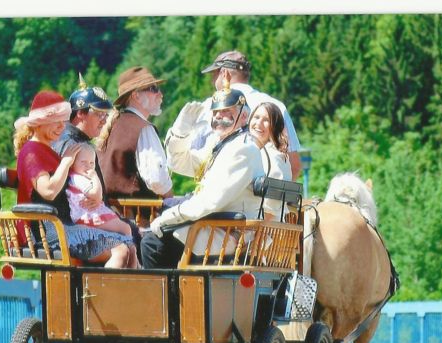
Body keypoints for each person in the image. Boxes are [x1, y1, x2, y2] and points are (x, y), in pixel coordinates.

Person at [141, 81, 265, 269]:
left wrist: (169, 217)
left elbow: (211, 201)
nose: (219, 117)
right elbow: (179, 163)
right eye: (216, 112)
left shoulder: (243, 149)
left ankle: (164, 298)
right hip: (213, 226)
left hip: (229, 233)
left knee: (152, 243)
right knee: (155, 237)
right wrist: (180, 132)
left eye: (227, 112)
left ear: (244, 116)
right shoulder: (221, 144)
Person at [13, 90, 136, 268]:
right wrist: (66, 161)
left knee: (129, 249)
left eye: (63, 122)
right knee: (121, 250)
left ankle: (124, 295)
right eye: (56, 122)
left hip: (63, 225)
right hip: (47, 230)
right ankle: (102, 296)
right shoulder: (32, 152)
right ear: (40, 123)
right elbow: (48, 191)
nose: (61, 127)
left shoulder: (46, 149)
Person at [196, 50, 303, 179]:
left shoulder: (209, 107)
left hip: (219, 192)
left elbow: (192, 160)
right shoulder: (276, 105)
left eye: (214, 74)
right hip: (264, 195)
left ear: (224, 73)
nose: (212, 80)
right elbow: (294, 166)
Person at [95, 66, 173, 199]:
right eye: (153, 89)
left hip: (114, 212)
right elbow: (157, 179)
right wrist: (172, 200)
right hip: (140, 215)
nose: (160, 94)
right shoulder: (143, 128)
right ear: (136, 95)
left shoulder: (112, 124)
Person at [247, 101, 292, 220]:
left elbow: (272, 204)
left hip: (266, 230)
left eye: (266, 120)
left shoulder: (272, 155)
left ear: (275, 127)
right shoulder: (255, 151)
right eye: (256, 117)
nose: (259, 123)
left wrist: (257, 233)